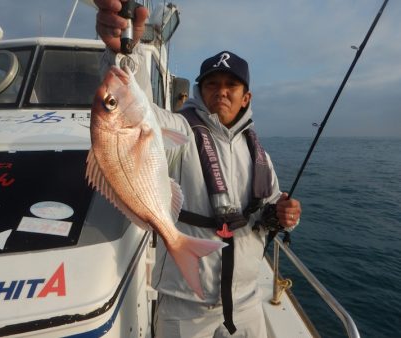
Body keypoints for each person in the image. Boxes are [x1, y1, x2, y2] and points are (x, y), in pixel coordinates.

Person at [94, 1, 302, 337]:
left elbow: (273, 200)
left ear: (245, 97)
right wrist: (120, 54)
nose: (221, 91)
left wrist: (286, 211)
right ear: (198, 91)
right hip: (184, 305)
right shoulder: (179, 131)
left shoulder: (256, 148)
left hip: (246, 300)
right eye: (211, 84)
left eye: (230, 86)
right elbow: (139, 110)